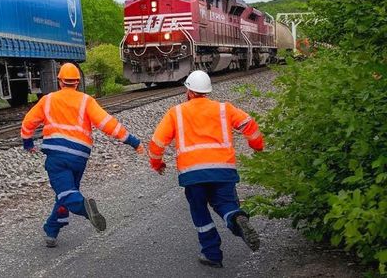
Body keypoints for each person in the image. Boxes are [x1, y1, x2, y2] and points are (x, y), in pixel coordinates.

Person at [148, 70, 264, 268]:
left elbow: (157, 143)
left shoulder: (176, 112)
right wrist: (257, 146)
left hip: (193, 175)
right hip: (223, 171)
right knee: (226, 205)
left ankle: (212, 254)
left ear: (189, 91)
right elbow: (248, 124)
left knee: (200, 211)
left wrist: (157, 164)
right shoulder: (223, 109)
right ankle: (236, 218)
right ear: (207, 91)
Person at [21, 62, 143, 247]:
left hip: (57, 157)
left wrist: (28, 142)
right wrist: (132, 141)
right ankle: (51, 230)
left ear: (60, 81)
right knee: (65, 193)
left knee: (67, 194)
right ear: (77, 82)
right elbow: (108, 124)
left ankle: (85, 209)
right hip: (79, 158)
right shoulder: (86, 101)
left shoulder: (48, 100)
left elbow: (28, 122)